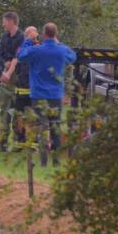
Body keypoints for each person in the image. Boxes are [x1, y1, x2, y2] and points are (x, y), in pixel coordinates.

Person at [17, 22, 76, 166]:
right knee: (55, 127)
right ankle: (56, 161)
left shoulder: (36, 50)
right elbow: (73, 56)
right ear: (55, 34)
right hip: (55, 95)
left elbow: (21, 56)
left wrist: (28, 40)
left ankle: (43, 161)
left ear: (43, 34)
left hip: (38, 95)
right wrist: (58, 43)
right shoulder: (61, 50)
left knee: (42, 128)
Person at [1, 26, 37, 146]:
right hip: (21, 91)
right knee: (18, 118)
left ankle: (32, 143)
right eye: (28, 35)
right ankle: (19, 142)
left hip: (34, 92)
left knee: (32, 118)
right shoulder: (21, 50)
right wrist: (7, 74)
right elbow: (15, 63)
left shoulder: (38, 49)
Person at [0, 11, 25, 151]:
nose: (3, 24)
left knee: (17, 110)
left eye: (5, 21)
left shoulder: (21, 37)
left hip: (18, 78)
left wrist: (10, 68)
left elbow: (18, 57)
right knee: (4, 110)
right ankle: (2, 143)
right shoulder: (4, 37)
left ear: (12, 21)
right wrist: (5, 63)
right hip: (6, 77)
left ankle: (18, 143)